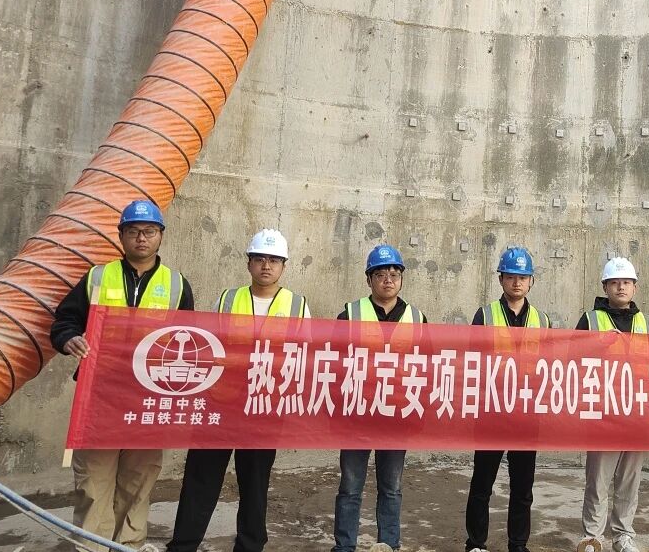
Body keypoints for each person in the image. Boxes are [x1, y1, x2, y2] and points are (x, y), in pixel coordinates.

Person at [50, 200, 194, 550]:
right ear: (121, 236)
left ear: (160, 235)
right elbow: (65, 320)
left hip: (150, 399)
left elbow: (190, 340)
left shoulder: (177, 285)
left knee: (138, 480)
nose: (141, 238)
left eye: (149, 231)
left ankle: (130, 544)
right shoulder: (98, 277)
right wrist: (69, 339)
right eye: (133, 231)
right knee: (93, 480)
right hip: (100, 396)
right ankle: (92, 546)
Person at [167, 229, 309, 552]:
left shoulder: (298, 305)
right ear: (249, 263)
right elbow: (209, 346)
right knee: (201, 478)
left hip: (265, 407)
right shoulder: (228, 299)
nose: (266, 265)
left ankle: (250, 545)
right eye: (260, 258)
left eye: (274, 260)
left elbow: (303, 355)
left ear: (284, 266)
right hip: (221, 403)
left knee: (255, 483)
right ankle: (183, 545)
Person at [333, 244, 427, 552]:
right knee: (350, 487)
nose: (388, 280)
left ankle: (389, 544)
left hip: (396, 416)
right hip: (357, 415)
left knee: (392, 488)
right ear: (369, 279)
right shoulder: (349, 315)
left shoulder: (417, 318)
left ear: (401, 279)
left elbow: (427, 368)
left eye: (394, 274)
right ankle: (345, 546)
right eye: (380, 274)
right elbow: (333, 364)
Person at [465, 247, 551, 552]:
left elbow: (549, 366)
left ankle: (518, 544)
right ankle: (476, 543)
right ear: (501, 279)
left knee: (523, 486)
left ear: (531, 281)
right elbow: (472, 361)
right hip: (492, 412)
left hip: (527, 414)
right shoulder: (485, 315)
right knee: (482, 483)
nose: (517, 282)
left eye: (523, 277)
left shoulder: (542, 320)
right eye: (511, 276)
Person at [576, 257, 649, 552]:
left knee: (629, 480)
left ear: (635, 287)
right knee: (598, 480)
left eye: (626, 282)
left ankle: (623, 535)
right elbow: (573, 359)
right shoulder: (590, 320)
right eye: (615, 282)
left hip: (637, 413)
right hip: (604, 413)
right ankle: (592, 536)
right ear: (605, 287)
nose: (621, 287)